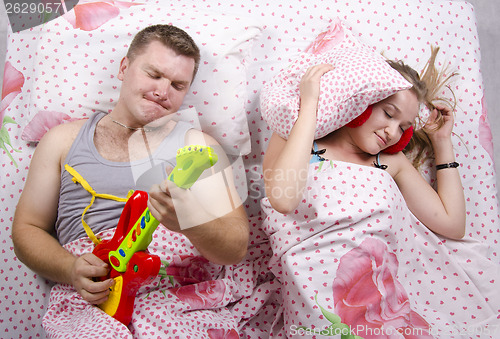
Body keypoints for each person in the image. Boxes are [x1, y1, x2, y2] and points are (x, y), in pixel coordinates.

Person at [11, 23, 249, 314]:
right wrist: (71, 268)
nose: (163, 91)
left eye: (177, 85)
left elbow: (236, 249)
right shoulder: (62, 141)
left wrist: (191, 219)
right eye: (154, 74)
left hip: (178, 302)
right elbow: (27, 229)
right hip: (96, 299)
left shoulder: (200, 148)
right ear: (124, 68)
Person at [263, 47, 465, 240]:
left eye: (403, 128)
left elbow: (453, 226)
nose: (392, 133)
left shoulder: (392, 161)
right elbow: (283, 200)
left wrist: (442, 142)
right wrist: (310, 104)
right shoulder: (295, 134)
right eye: (388, 113)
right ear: (362, 100)